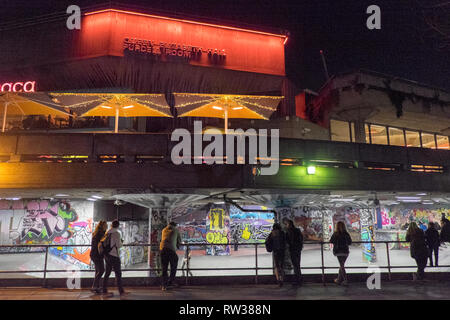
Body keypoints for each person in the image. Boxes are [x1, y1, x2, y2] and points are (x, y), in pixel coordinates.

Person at [101, 220, 127, 296]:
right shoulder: (116, 233)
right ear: (118, 225)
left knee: (107, 273)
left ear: (112, 225)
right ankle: (121, 291)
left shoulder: (107, 232)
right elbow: (119, 245)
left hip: (107, 255)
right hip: (114, 255)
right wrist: (122, 241)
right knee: (118, 273)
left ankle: (104, 289)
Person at [160, 221, 182, 291]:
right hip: (171, 250)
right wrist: (177, 246)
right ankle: (171, 282)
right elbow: (179, 241)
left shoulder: (163, 230)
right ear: (175, 225)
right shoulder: (175, 230)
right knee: (174, 265)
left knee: (164, 268)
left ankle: (164, 285)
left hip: (162, 250)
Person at [330, 221, 352, 286]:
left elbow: (331, 241)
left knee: (341, 265)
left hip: (338, 251)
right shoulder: (346, 234)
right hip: (345, 251)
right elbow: (350, 242)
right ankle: (339, 280)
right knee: (341, 265)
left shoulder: (335, 234)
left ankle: (345, 280)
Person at [282, 218, 303, 286]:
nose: (286, 225)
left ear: (289, 224)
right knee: (298, 264)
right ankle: (299, 279)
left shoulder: (289, 231)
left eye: (287, 224)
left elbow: (287, 240)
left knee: (295, 265)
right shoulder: (297, 230)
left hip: (293, 249)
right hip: (298, 249)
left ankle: (297, 280)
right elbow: (301, 239)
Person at [266, 223, 286, 287]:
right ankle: (282, 279)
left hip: (275, 251)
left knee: (276, 266)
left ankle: (278, 280)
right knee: (282, 265)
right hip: (282, 251)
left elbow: (268, 241)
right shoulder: (282, 233)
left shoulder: (272, 233)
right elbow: (285, 241)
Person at [90, 220, 107, 294]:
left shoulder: (96, 233)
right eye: (105, 225)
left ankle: (96, 287)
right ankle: (94, 286)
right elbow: (101, 245)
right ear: (102, 226)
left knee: (98, 271)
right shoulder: (101, 234)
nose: (106, 226)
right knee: (101, 270)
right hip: (97, 254)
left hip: (93, 254)